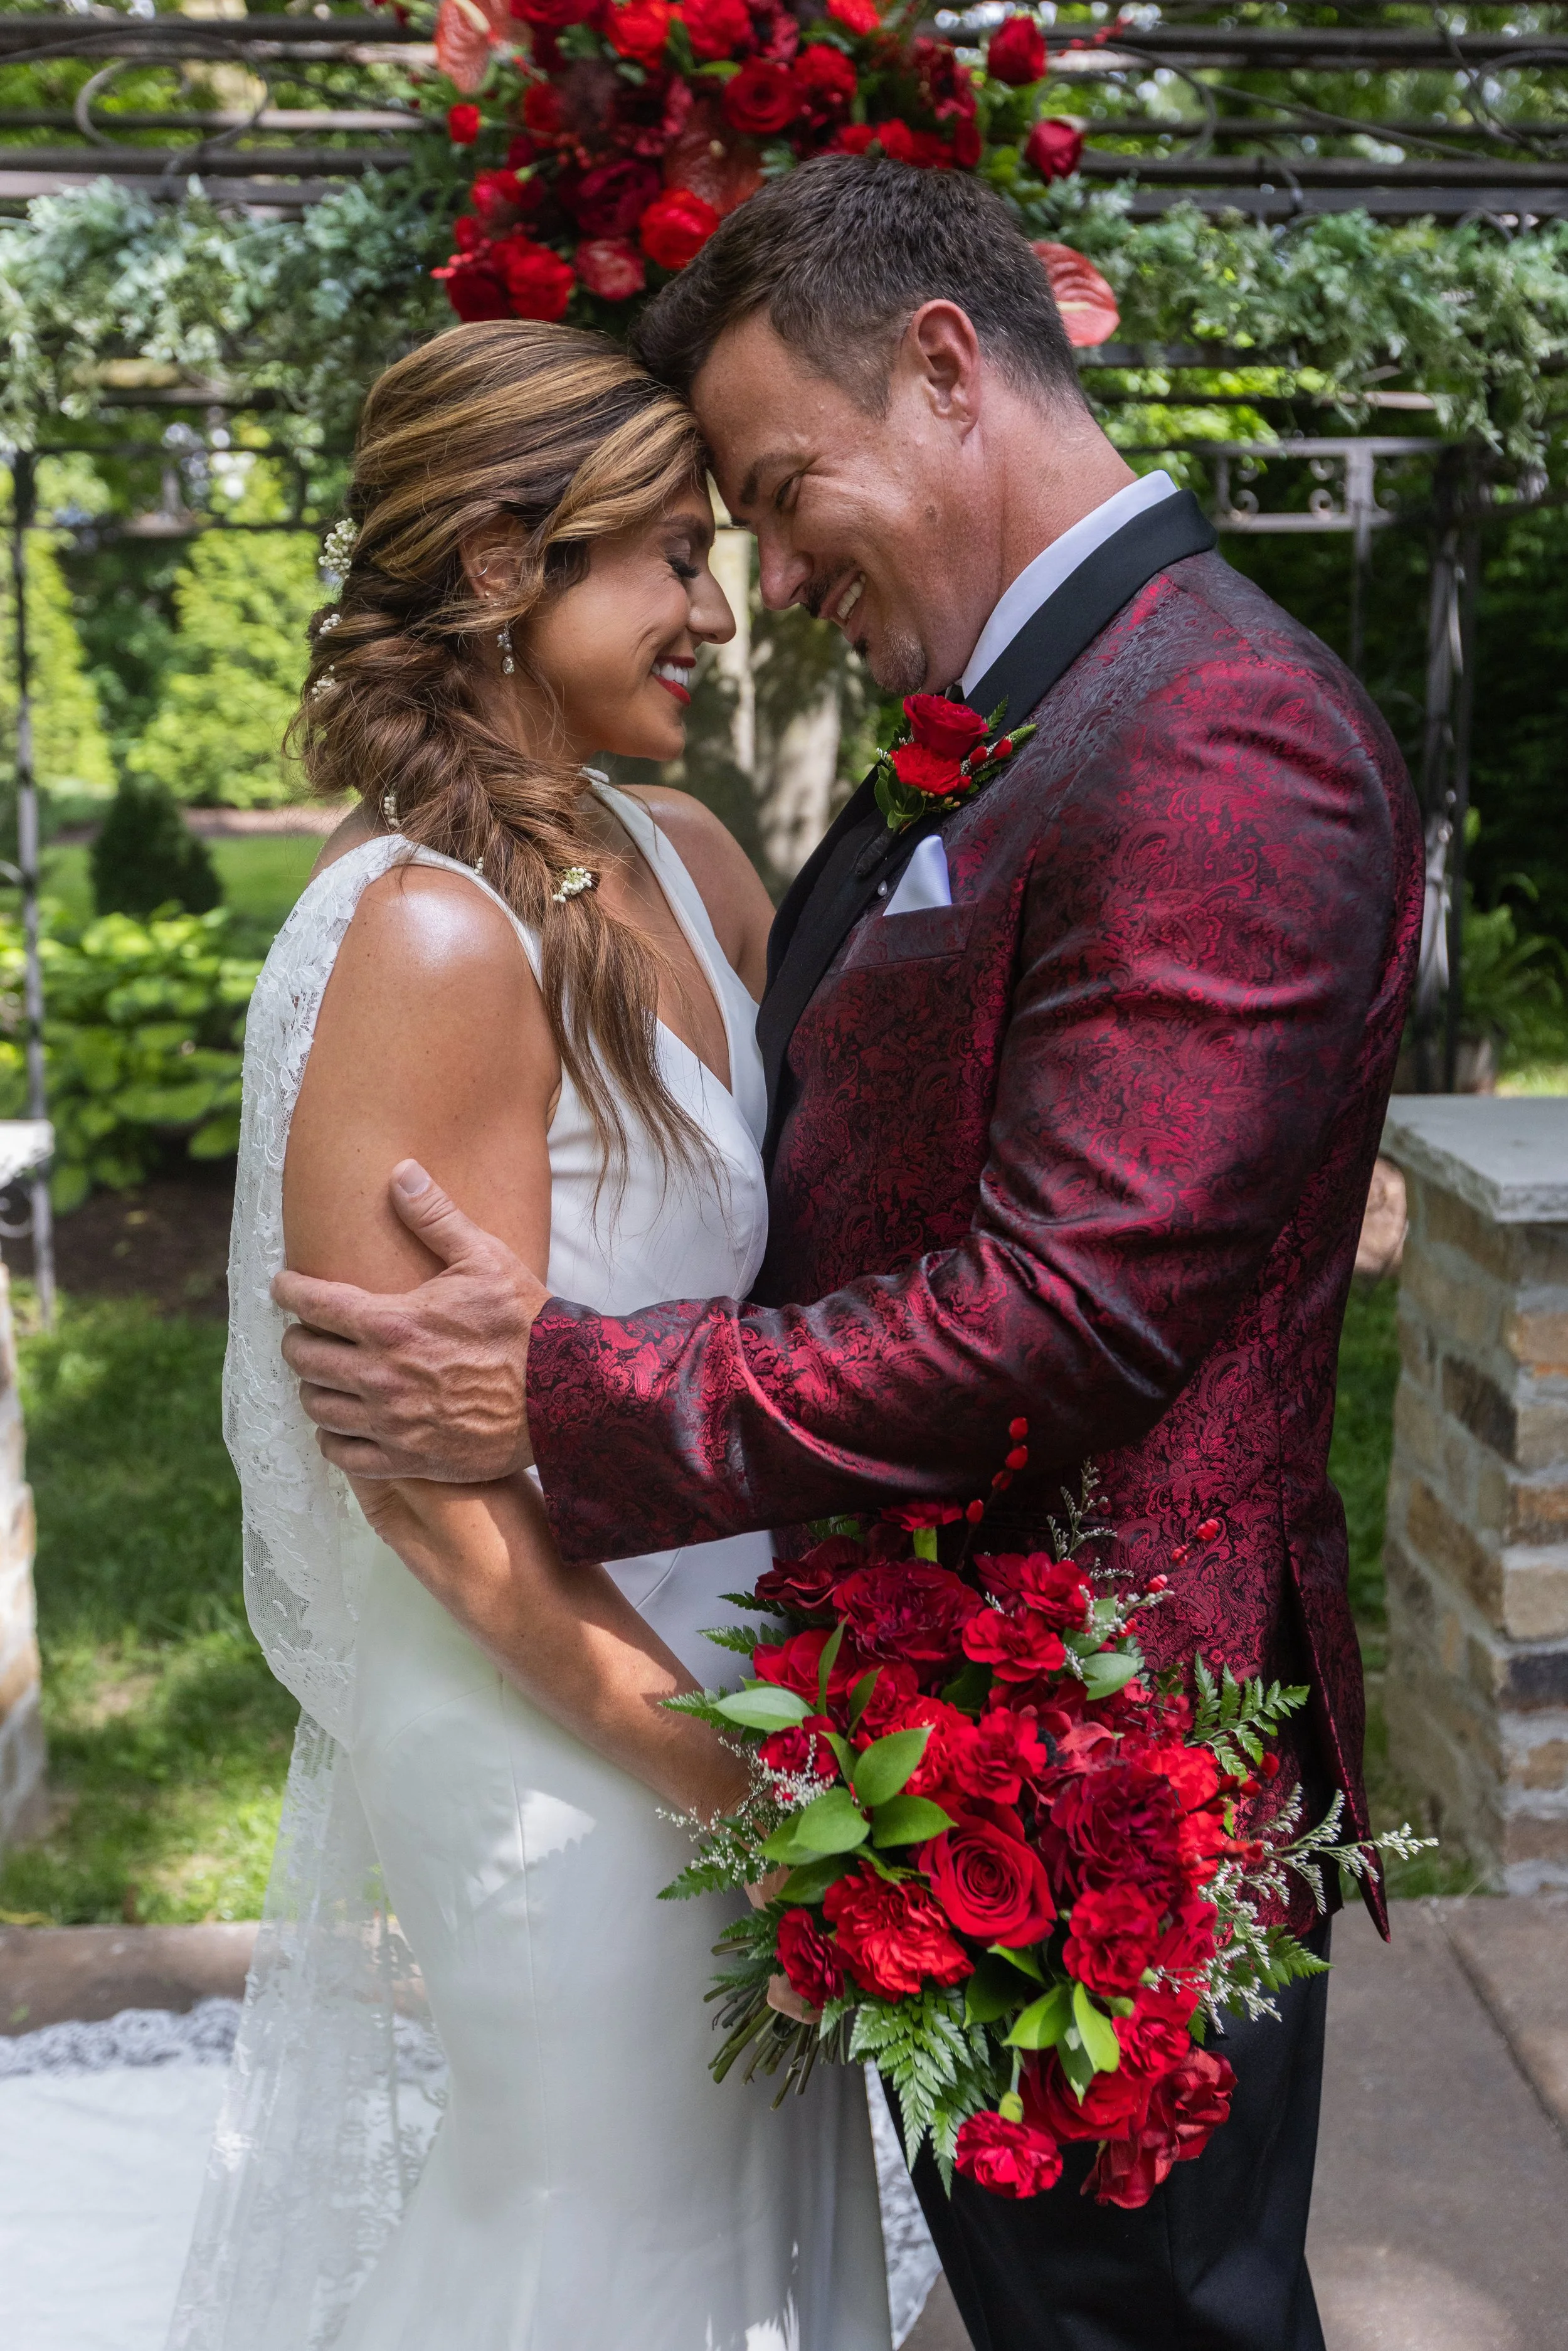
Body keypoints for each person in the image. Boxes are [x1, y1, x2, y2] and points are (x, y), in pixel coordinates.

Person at [276, 161, 1426, 2351]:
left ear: (942, 365)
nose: (766, 584)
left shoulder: (1211, 731)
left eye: (776, 504)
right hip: (847, 1717)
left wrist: (560, 1384)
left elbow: (1071, 1303)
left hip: (1092, 1748)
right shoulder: (1014, 720)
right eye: (707, 540)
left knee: (1137, 2321)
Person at [168, 318, 891, 2351]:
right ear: (501, 562)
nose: (716, 610)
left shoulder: (692, 862)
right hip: (549, 1713)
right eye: (665, 553)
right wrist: (733, 1781)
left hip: (742, 1662)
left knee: (730, 2211)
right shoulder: (427, 931)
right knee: (595, 2221)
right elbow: (427, 1497)